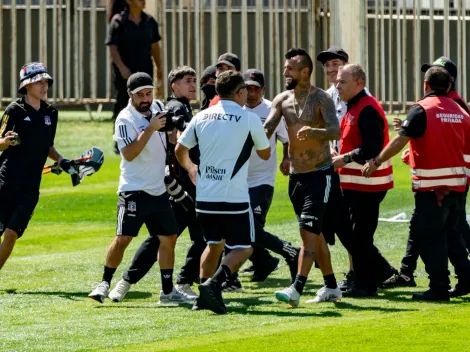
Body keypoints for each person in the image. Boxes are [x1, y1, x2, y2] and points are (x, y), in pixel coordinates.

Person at [363, 67, 470, 301]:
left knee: (429, 237)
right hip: (458, 187)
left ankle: (439, 287)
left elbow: (400, 140)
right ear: (449, 86)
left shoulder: (422, 109)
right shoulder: (461, 112)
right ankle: (466, 277)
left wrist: (376, 160)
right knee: (453, 235)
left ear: (425, 85)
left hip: (432, 188)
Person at [88, 73, 192, 304]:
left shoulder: (156, 106)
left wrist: (173, 136)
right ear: (130, 95)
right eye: (140, 95)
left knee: (169, 238)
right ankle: (104, 282)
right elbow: (130, 154)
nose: (146, 99)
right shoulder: (124, 118)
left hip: (158, 189)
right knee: (123, 238)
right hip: (133, 189)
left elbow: (167, 140)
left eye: (149, 93)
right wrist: (152, 128)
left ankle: (167, 292)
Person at [175, 70, 271, 314]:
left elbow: (180, 149)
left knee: (214, 244)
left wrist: (191, 168)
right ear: (240, 93)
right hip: (234, 197)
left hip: (205, 197)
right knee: (245, 247)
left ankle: (201, 298)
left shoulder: (202, 116)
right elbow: (265, 153)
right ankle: (214, 284)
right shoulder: (249, 118)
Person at [264, 48, 342, 307]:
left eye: (290, 68)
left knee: (307, 232)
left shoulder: (321, 98)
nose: (285, 72)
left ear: (304, 71)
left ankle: (296, 287)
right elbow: (266, 129)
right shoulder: (282, 99)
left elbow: (335, 131)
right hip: (296, 177)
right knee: (315, 235)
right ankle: (331, 285)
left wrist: (315, 132)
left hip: (320, 174)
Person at [331, 64, 396, 297]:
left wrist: (344, 158)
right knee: (352, 233)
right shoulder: (353, 106)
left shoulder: (367, 108)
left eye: (342, 82)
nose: (337, 86)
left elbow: (372, 147)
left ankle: (366, 285)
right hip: (356, 183)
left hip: (369, 184)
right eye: (337, 82)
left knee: (360, 236)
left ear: (358, 83)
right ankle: (378, 274)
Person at [0, 62, 72, 271]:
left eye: (45, 82)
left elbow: (48, 146)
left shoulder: (51, 113)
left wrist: (60, 159)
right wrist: (7, 141)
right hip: (6, 182)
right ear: (27, 86)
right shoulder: (14, 110)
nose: (43, 86)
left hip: (30, 187)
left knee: (12, 234)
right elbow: (0, 140)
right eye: (38, 82)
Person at [237, 69, 299, 282]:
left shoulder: (272, 111)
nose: (251, 93)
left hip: (262, 180)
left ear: (263, 90)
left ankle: (290, 252)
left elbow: (287, 138)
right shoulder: (237, 110)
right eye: (247, 88)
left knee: (252, 227)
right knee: (241, 227)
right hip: (238, 182)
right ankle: (264, 262)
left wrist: (286, 158)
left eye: (255, 88)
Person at [107, 0, 163, 153]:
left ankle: (145, 134)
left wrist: (160, 68)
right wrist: (122, 68)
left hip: (145, 71)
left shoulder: (149, 21)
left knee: (145, 102)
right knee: (122, 102)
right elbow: (113, 47)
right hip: (125, 74)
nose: (143, 1)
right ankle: (120, 140)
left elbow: (155, 46)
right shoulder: (118, 21)